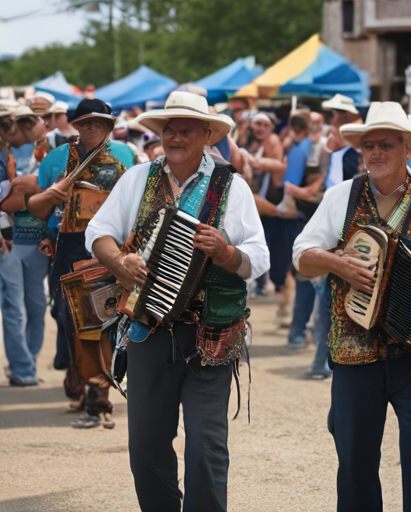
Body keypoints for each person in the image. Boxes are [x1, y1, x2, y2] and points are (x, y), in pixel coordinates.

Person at [85, 91, 269, 512]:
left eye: (186, 129)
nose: (175, 136)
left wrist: (225, 253)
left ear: (207, 135)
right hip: (148, 331)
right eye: (169, 128)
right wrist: (120, 261)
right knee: (146, 446)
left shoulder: (232, 186)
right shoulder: (138, 177)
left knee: (206, 446)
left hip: (212, 334)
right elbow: (97, 232)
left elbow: (259, 258)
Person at [293, 101, 411, 512]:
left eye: (387, 145)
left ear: (407, 147)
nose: (376, 153)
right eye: (369, 145)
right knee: (355, 462)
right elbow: (302, 254)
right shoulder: (342, 194)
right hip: (353, 354)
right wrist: (337, 262)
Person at [29, 98, 136, 427]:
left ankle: (98, 396)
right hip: (69, 249)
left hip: (110, 247)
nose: (91, 127)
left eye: (98, 122)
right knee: (68, 319)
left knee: (103, 322)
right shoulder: (56, 158)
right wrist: (48, 228)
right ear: (74, 125)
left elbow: (134, 204)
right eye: (85, 122)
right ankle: (82, 384)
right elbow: (39, 208)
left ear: (110, 125)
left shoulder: (127, 156)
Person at [0, 105, 50, 386]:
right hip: (8, 243)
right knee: (12, 306)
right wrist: (23, 191)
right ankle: (22, 369)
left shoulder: (49, 153)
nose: (11, 128)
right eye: (4, 124)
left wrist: (23, 191)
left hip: (39, 242)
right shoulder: (1, 156)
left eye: (19, 121)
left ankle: (28, 360)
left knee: (36, 305)